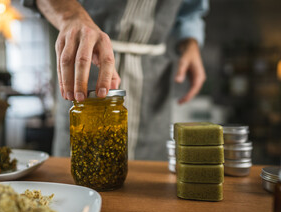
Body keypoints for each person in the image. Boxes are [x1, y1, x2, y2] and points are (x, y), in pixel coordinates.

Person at [24, 0, 208, 160]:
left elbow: (191, 10)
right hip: (88, 63)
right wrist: (70, 16)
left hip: (154, 79)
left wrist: (191, 43)